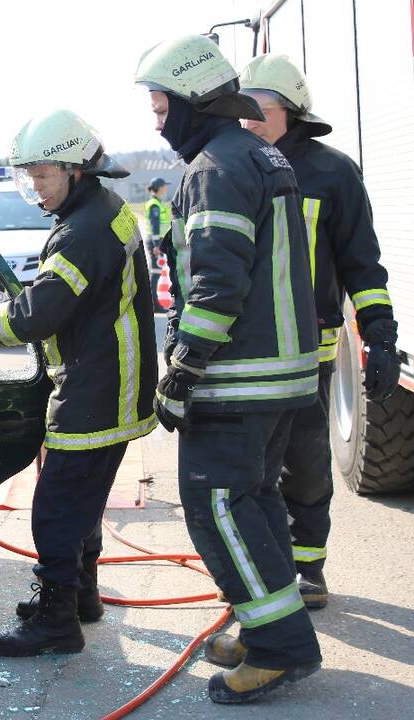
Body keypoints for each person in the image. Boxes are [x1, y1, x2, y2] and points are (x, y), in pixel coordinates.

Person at [135, 34, 323, 703]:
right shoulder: (255, 154)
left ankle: (280, 647)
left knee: (218, 505)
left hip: (239, 380)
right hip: (280, 378)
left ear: (192, 99)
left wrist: (182, 372)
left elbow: (217, 287)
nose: (157, 120)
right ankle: (263, 619)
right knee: (255, 500)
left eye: (161, 105)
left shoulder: (216, 167)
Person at [0, 109, 157, 659]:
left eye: (42, 175)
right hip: (115, 383)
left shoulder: (81, 233)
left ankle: (57, 621)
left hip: (94, 390)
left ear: (76, 170)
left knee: (57, 509)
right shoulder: (105, 211)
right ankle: (81, 596)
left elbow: (33, 318)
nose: (34, 188)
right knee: (81, 502)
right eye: (29, 175)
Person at [233, 55, 400, 610]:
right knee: (245, 470)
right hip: (243, 352)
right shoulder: (235, 167)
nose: (247, 121)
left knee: (304, 463)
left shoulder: (333, 173)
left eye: (259, 111)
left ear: (293, 112)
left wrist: (379, 331)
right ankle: (264, 570)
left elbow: (361, 264)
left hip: (308, 350)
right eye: (242, 111)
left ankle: (309, 568)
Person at [142, 177, 170, 309]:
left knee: (157, 271)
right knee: (156, 272)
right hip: (155, 243)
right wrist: (157, 245)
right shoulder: (154, 204)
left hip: (156, 242)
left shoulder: (156, 202)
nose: (166, 188)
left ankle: (153, 303)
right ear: (159, 188)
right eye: (164, 186)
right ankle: (154, 304)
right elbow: (155, 226)